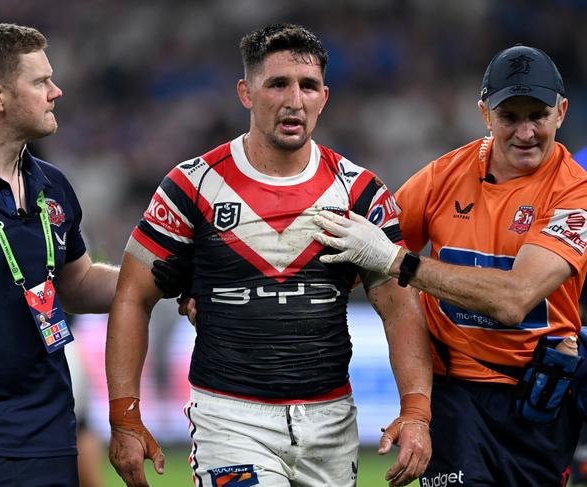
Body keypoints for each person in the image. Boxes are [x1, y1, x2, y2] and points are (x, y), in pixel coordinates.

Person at [106, 23, 432, 487]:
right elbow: (132, 296)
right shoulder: (191, 186)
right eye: (277, 83)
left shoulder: (359, 191)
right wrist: (125, 416)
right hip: (230, 421)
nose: (294, 99)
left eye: (308, 86)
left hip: (332, 422)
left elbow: (399, 307)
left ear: (325, 96)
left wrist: (416, 411)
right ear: (246, 92)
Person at [312, 44, 587, 486]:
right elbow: (364, 254)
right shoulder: (444, 176)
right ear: (484, 113)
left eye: (537, 114)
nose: (525, 131)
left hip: (539, 403)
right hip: (454, 393)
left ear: (561, 112)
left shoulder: (575, 194)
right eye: (509, 116)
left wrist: (403, 263)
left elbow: (516, 298)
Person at [0, 23, 118, 486]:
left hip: (51, 433)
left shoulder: (52, 184)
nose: (56, 91)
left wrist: (171, 277)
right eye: (40, 82)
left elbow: (77, 284)